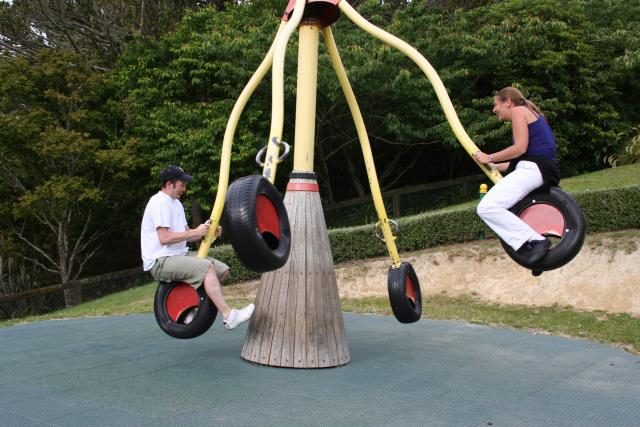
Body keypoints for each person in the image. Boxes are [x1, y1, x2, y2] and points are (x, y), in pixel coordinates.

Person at [141, 165, 254, 329]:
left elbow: (187, 233)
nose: (184, 189)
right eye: (182, 184)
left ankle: (193, 308)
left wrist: (207, 231)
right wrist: (196, 231)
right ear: (169, 184)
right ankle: (229, 316)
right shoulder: (158, 203)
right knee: (207, 268)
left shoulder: (177, 204)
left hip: (179, 255)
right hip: (161, 261)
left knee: (222, 271)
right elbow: (164, 238)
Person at [474, 87, 561, 264]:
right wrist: (493, 165)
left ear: (508, 102)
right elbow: (520, 159)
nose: (494, 110)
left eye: (496, 105)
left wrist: (489, 156)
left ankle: (536, 241)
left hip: (534, 169)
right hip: (538, 169)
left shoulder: (518, 111)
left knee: (487, 207)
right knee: (492, 207)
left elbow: (519, 148)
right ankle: (537, 252)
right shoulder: (530, 114)